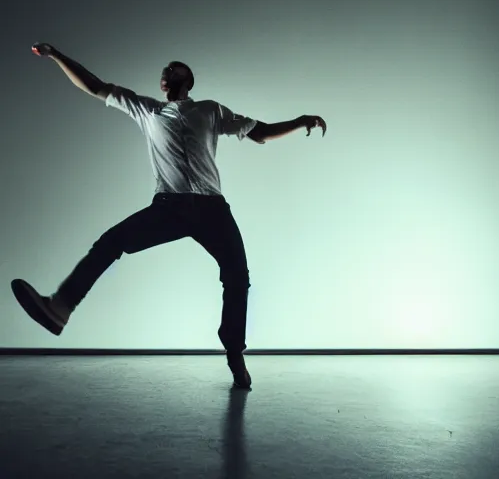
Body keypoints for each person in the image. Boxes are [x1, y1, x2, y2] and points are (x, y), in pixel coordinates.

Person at [11, 42, 327, 389]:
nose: (167, 72)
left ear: (188, 80)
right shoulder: (147, 110)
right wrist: (57, 55)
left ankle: (235, 353)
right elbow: (95, 86)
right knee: (111, 241)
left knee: (238, 277)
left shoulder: (210, 110)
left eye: (175, 69)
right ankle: (60, 307)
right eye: (165, 70)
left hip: (212, 209)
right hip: (169, 207)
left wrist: (299, 121)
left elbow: (260, 133)